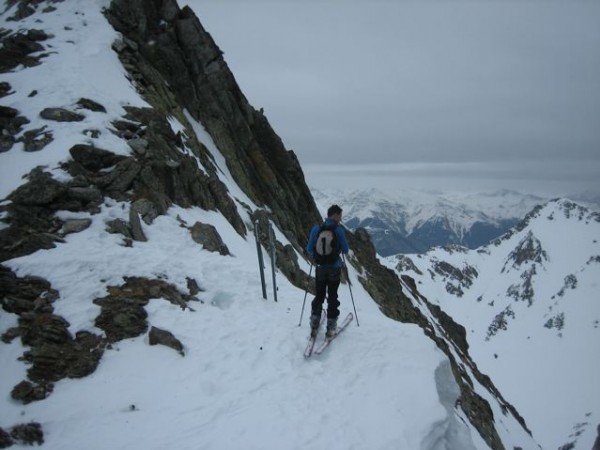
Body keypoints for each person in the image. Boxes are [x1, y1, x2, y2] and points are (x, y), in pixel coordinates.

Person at [306, 204, 349, 338]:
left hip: (320, 268)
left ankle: (315, 320)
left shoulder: (317, 228)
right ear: (334, 215)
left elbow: (309, 249)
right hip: (334, 269)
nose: (340, 219)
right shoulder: (338, 230)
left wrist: (318, 257)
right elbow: (346, 250)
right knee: (332, 296)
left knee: (319, 294)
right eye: (340, 216)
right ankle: (331, 327)